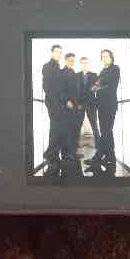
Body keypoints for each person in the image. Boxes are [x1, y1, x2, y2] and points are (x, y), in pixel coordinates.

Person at [87, 49, 120, 176]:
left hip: (110, 105)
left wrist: (98, 86)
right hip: (101, 106)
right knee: (107, 132)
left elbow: (110, 87)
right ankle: (110, 158)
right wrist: (97, 86)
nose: (105, 58)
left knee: (106, 132)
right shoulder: (102, 71)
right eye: (103, 56)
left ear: (111, 57)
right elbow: (94, 87)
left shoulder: (115, 69)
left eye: (107, 56)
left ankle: (97, 157)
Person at [41, 45, 65, 175]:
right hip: (52, 102)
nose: (58, 54)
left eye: (60, 53)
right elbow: (46, 86)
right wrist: (56, 102)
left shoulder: (57, 67)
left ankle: (52, 154)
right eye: (56, 52)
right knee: (55, 128)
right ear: (52, 53)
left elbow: (59, 87)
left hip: (57, 103)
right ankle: (51, 155)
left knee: (56, 128)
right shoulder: (47, 66)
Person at [61, 53, 82, 165]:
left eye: (73, 60)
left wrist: (78, 103)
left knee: (74, 129)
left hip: (75, 106)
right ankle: (66, 154)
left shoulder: (73, 72)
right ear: (65, 60)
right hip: (66, 106)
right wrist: (66, 101)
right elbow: (59, 89)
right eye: (69, 60)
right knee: (67, 130)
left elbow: (76, 90)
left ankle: (73, 152)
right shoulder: (62, 72)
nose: (71, 62)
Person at [77, 56, 99, 151]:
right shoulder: (76, 75)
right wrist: (77, 103)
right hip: (79, 105)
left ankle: (98, 146)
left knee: (94, 126)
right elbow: (74, 91)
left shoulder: (94, 75)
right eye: (83, 63)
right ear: (80, 64)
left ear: (88, 64)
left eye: (86, 63)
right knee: (77, 126)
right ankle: (75, 146)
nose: (84, 64)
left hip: (91, 104)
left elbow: (97, 88)